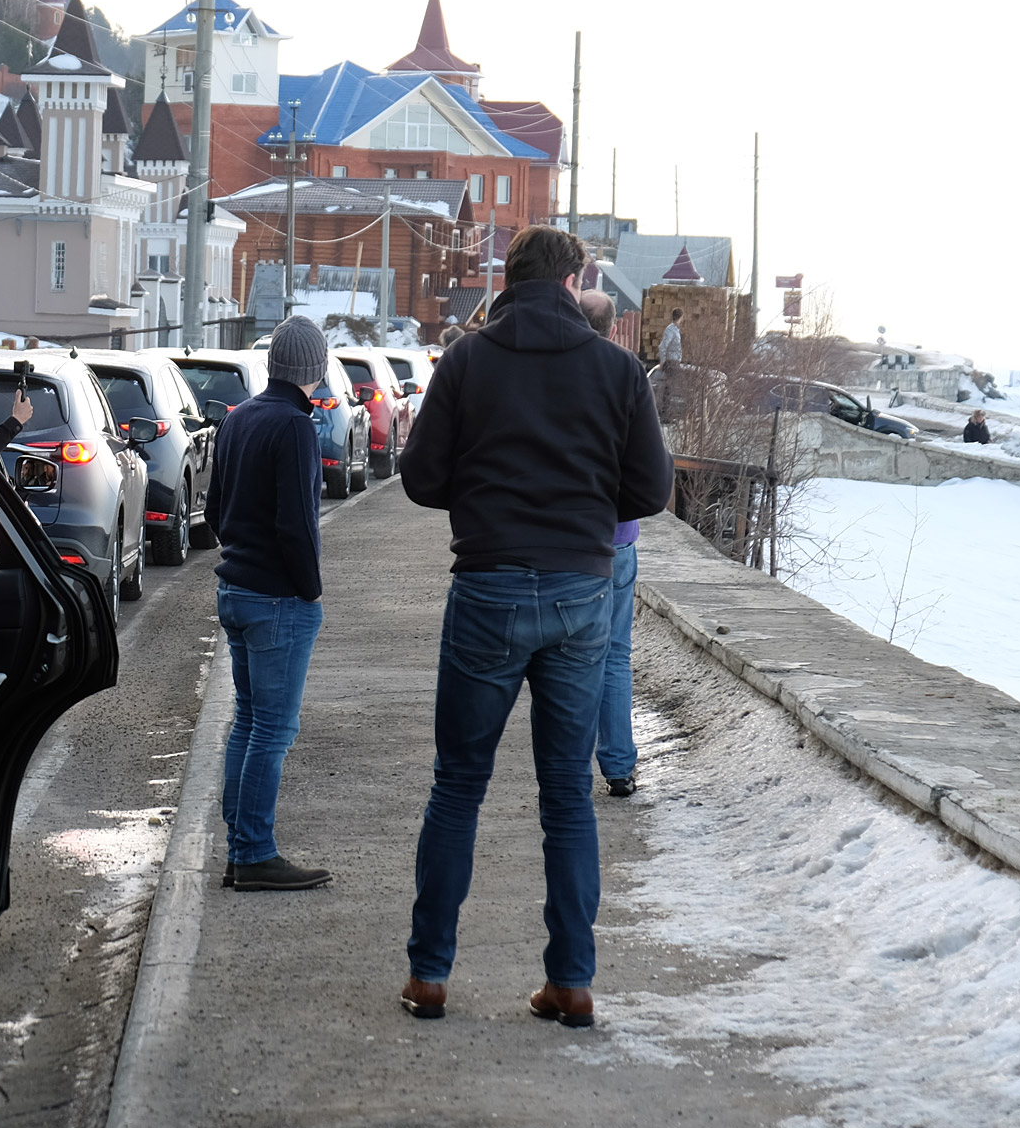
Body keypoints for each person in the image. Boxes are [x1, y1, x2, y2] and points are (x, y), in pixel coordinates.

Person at [395, 226, 673, 1028]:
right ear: (575, 278)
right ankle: (572, 982)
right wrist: (581, 518)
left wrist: (488, 507)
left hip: (486, 586)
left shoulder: (468, 361)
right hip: (582, 595)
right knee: (567, 799)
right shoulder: (618, 370)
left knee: (458, 787)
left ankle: (430, 977)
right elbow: (650, 491)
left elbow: (420, 479)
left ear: (508, 278)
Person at [207, 314, 332, 892]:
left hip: (234, 588)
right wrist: (311, 590)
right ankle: (254, 852)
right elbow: (297, 526)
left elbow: (213, 510)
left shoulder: (239, 418)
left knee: (249, 722)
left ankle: (240, 848)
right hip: (278, 599)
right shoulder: (297, 428)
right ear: (316, 369)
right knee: (273, 730)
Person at [578, 290, 642, 798]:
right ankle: (619, 766)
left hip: (571, 537)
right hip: (617, 539)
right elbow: (649, 467)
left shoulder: (562, 374)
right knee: (615, 654)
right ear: (613, 327)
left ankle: (569, 765)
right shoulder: (625, 372)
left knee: (572, 655)